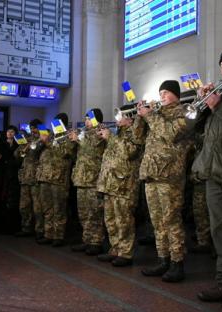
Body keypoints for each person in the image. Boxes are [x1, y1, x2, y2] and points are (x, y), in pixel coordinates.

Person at [190, 46, 222, 311]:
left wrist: (218, 105)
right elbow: (194, 129)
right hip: (214, 171)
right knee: (220, 231)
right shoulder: (219, 93)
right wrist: (203, 105)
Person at [138, 80, 190, 282]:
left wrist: (150, 115)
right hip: (152, 174)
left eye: (166, 93)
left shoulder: (184, 112)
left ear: (176, 94)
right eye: (160, 93)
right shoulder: (156, 115)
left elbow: (170, 134)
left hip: (170, 176)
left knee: (171, 220)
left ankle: (178, 263)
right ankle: (163, 259)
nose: (162, 97)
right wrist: (140, 116)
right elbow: (138, 137)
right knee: (157, 222)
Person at [96, 115, 145, 266]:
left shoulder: (134, 133)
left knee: (123, 220)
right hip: (110, 184)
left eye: (121, 116)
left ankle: (125, 253)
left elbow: (128, 152)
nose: (117, 118)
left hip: (125, 185)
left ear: (130, 120)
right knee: (110, 220)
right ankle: (115, 249)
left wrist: (111, 137)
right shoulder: (118, 134)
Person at [70, 108, 106, 255]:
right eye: (85, 119)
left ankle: (96, 242)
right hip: (81, 179)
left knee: (94, 213)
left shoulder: (100, 133)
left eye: (88, 119)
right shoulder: (83, 134)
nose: (85, 122)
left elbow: (93, 151)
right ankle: (87, 240)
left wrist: (78, 139)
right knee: (83, 213)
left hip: (93, 179)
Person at [36, 113, 76, 246]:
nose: (54, 126)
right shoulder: (51, 137)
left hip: (59, 179)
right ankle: (48, 234)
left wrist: (47, 142)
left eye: (57, 123)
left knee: (59, 208)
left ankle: (58, 236)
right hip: (45, 177)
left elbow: (65, 152)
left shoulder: (68, 137)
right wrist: (42, 142)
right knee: (47, 208)